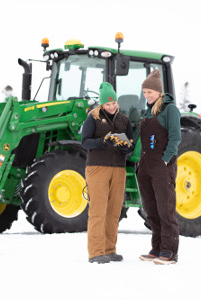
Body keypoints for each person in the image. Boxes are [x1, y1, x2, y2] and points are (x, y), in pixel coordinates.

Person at [81, 82, 134, 264]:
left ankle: (109, 250)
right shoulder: (92, 118)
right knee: (98, 211)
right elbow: (85, 142)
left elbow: (131, 147)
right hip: (97, 168)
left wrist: (126, 146)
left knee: (113, 212)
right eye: (108, 104)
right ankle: (96, 252)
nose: (112, 107)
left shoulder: (124, 121)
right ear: (102, 104)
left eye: (114, 103)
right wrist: (102, 142)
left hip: (118, 169)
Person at [136, 69, 181, 265]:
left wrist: (166, 159)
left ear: (159, 92)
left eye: (150, 92)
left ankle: (169, 250)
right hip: (146, 164)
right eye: (145, 92)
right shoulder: (147, 110)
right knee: (151, 210)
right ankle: (156, 247)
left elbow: (175, 137)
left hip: (162, 165)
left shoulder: (170, 109)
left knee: (165, 208)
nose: (147, 96)